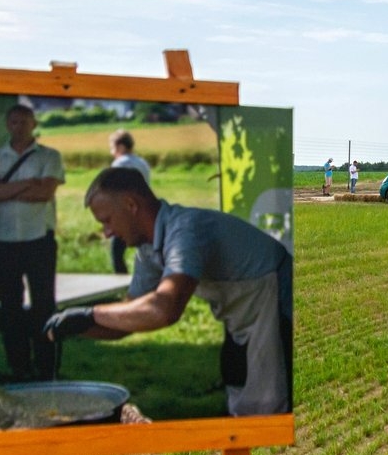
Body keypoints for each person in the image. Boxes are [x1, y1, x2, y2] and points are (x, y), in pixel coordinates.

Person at [44, 167, 291, 416]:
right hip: (245, 317)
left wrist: (91, 314)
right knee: (241, 387)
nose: (107, 233)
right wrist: (74, 325)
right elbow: (126, 321)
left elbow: (165, 308)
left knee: (274, 405)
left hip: (281, 306)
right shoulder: (148, 251)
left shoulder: (186, 230)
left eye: (107, 220)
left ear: (131, 205)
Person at [0, 104, 65, 382]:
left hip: (38, 238)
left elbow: (44, 193)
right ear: (8, 125)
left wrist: (5, 190)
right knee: (9, 307)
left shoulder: (49, 156)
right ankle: (19, 367)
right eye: (14, 122)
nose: (19, 127)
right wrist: (27, 184)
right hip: (3, 240)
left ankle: (47, 367)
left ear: (33, 124)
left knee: (44, 304)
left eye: (24, 122)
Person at [108, 129, 151, 275]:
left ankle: (121, 280)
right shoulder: (142, 162)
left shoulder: (120, 163)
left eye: (112, 147)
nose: (112, 152)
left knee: (117, 251)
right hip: (143, 210)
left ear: (120, 147)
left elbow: (114, 190)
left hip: (125, 211)